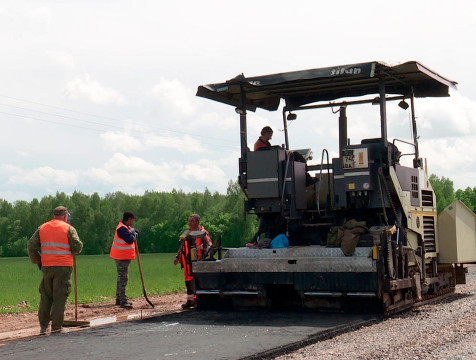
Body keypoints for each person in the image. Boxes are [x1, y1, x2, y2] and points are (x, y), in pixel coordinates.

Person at [27, 206, 83, 335]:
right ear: (65, 216)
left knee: (46, 296)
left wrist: (38, 261)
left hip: (47, 267)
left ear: (54, 216)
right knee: (59, 297)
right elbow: (77, 246)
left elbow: (31, 246)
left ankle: (43, 327)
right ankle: (56, 327)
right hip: (63, 267)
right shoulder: (68, 228)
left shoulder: (43, 227)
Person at [173, 214, 212, 309]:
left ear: (197, 222)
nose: (189, 223)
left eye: (192, 221)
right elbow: (182, 245)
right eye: (189, 221)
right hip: (187, 262)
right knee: (188, 282)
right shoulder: (186, 233)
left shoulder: (203, 233)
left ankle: (197, 300)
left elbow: (209, 246)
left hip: (198, 262)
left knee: (197, 281)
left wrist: (204, 258)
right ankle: (190, 300)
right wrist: (177, 257)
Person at [110, 211, 139, 309]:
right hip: (121, 257)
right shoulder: (121, 229)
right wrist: (134, 235)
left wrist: (134, 232)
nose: (133, 222)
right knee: (123, 278)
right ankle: (123, 300)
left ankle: (119, 298)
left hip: (123, 256)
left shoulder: (126, 228)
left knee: (121, 278)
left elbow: (136, 231)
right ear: (129, 219)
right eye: (132, 220)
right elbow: (130, 239)